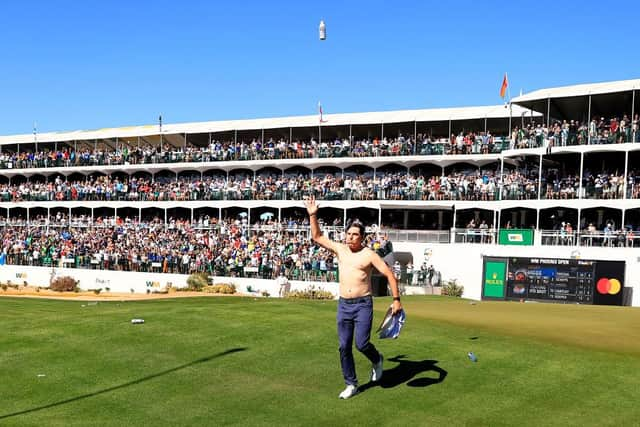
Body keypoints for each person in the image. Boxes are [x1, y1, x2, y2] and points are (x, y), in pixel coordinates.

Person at [304, 195, 402, 400]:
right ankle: (351, 383)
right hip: (343, 305)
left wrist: (396, 300)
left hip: (363, 304)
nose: (350, 237)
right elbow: (317, 237)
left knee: (362, 344)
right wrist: (313, 215)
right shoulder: (340, 249)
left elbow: (389, 274)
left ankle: (377, 360)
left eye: (354, 234)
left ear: (362, 237)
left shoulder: (369, 255)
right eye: (348, 233)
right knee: (343, 346)